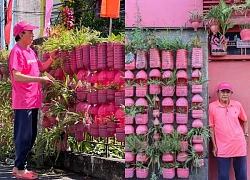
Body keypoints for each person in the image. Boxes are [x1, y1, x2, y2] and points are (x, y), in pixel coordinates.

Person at [9, 21, 59, 179]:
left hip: (33, 100)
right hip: (23, 102)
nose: (33, 35)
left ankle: (20, 167)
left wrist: (51, 59)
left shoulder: (30, 52)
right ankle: (19, 169)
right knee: (24, 136)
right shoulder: (16, 52)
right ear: (21, 34)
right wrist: (39, 80)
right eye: (30, 32)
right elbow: (16, 76)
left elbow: (41, 69)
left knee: (31, 136)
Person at [209, 83, 248, 180]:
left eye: (227, 92)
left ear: (231, 93)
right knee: (223, 176)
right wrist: (214, 146)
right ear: (218, 93)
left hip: (239, 146)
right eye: (223, 92)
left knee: (242, 176)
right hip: (222, 147)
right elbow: (211, 128)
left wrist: (246, 135)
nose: (225, 94)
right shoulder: (212, 107)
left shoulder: (237, 105)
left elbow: (245, 120)